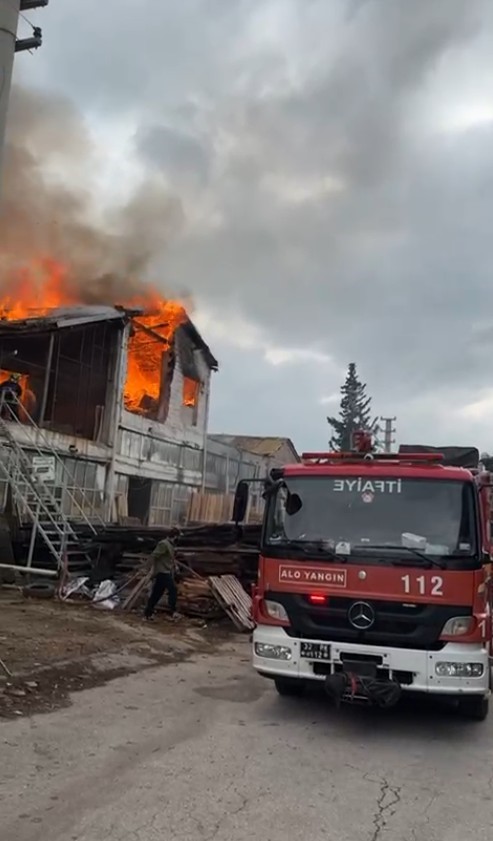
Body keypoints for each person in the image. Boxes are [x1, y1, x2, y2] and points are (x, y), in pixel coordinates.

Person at [144, 528, 181, 621]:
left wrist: (175, 566)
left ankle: (148, 613)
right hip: (162, 572)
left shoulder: (170, 545)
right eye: (178, 537)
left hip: (166, 571)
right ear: (175, 536)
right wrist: (146, 568)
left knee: (157, 593)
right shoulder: (163, 544)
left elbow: (170, 558)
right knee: (173, 589)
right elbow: (154, 555)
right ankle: (173, 612)